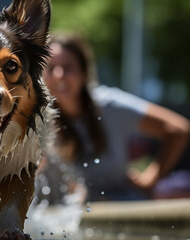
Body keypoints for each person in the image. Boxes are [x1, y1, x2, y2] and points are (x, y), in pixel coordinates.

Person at [39, 33, 190, 202]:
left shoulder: (109, 106)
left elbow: (178, 130)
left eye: (68, 67)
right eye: (51, 68)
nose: (59, 75)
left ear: (84, 73)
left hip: (120, 209)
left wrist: (150, 179)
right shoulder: (37, 120)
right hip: (63, 218)